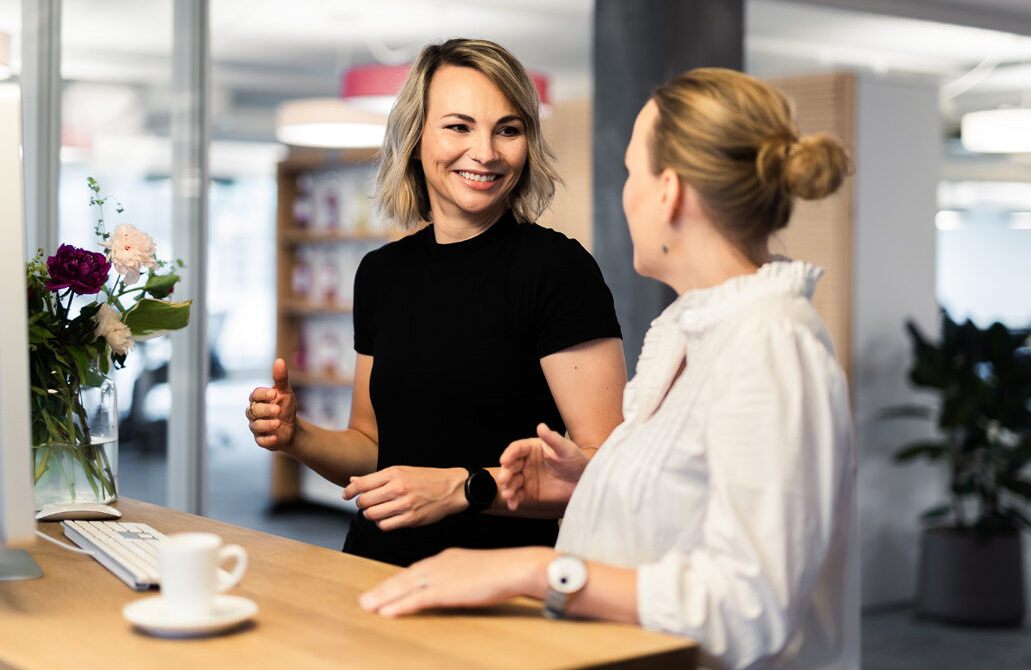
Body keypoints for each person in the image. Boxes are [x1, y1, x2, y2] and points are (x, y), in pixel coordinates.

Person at [359, 68, 859, 669]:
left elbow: (751, 606)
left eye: (630, 172)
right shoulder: (694, 330)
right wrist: (585, 481)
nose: (625, 194)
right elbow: (685, 504)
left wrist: (532, 569)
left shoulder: (773, 343)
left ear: (668, 192)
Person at [247, 39, 627, 567]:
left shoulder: (558, 270)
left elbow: (604, 469)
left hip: (498, 584)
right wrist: (298, 437)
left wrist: (461, 488)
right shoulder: (381, 273)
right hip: (374, 569)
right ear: (416, 136)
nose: (487, 152)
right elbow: (373, 447)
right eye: (459, 126)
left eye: (508, 129)